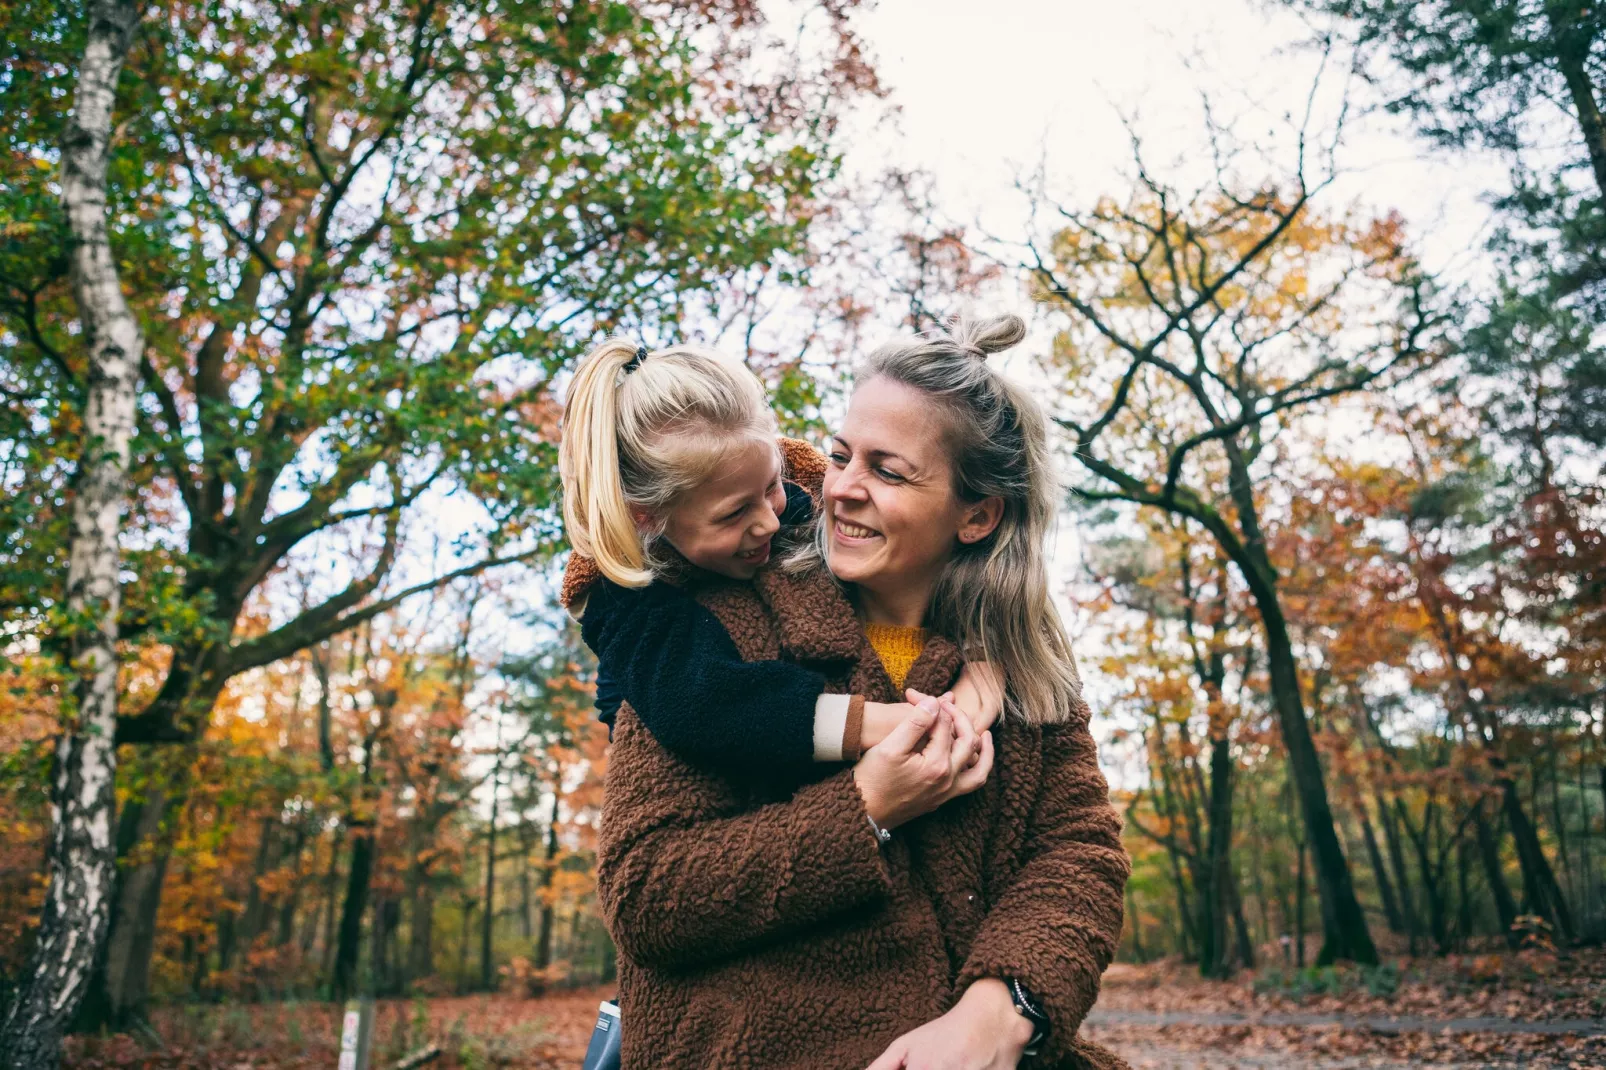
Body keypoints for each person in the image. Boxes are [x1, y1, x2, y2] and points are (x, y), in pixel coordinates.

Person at [584, 314, 1132, 1070]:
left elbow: (1079, 854)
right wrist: (865, 808)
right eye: (841, 456)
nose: (838, 488)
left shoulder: (1022, 665)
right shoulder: (708, 635)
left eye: (888, 470)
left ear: (977, 515)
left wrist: (1000, 1012)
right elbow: (649, 897)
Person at [557, 337, 1002, 772]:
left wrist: (985, 664)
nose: (770, 521)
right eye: (733, 515)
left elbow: (955, 568)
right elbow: (704, 708)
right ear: (647, 518)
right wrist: (897, 722)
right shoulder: (623, 599)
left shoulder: (808, 496)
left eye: (771, 485)